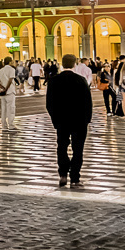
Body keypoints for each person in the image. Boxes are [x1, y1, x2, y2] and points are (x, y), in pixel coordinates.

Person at [46, 54, 92, 187]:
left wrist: (55, 118)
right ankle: (75, 178)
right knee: (78, 149)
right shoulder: (81, 80)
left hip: (61, 121)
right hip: (79, 120)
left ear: (62, 63)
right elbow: (87, 103)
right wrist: (86, 119)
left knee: (62, 146)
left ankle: (63, 174)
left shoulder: (54, 81)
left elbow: (49, 103)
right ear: (74, 64)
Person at [0, 57, 17, 131]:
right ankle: (11, 125)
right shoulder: (12, 69)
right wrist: (6, 89)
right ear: (10, 62)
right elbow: (10, 80)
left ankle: (4, 126)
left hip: (3, 92)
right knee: (11, 109)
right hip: (10, 91)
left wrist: (2, 87)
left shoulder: (1, 70)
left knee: (3, 109)